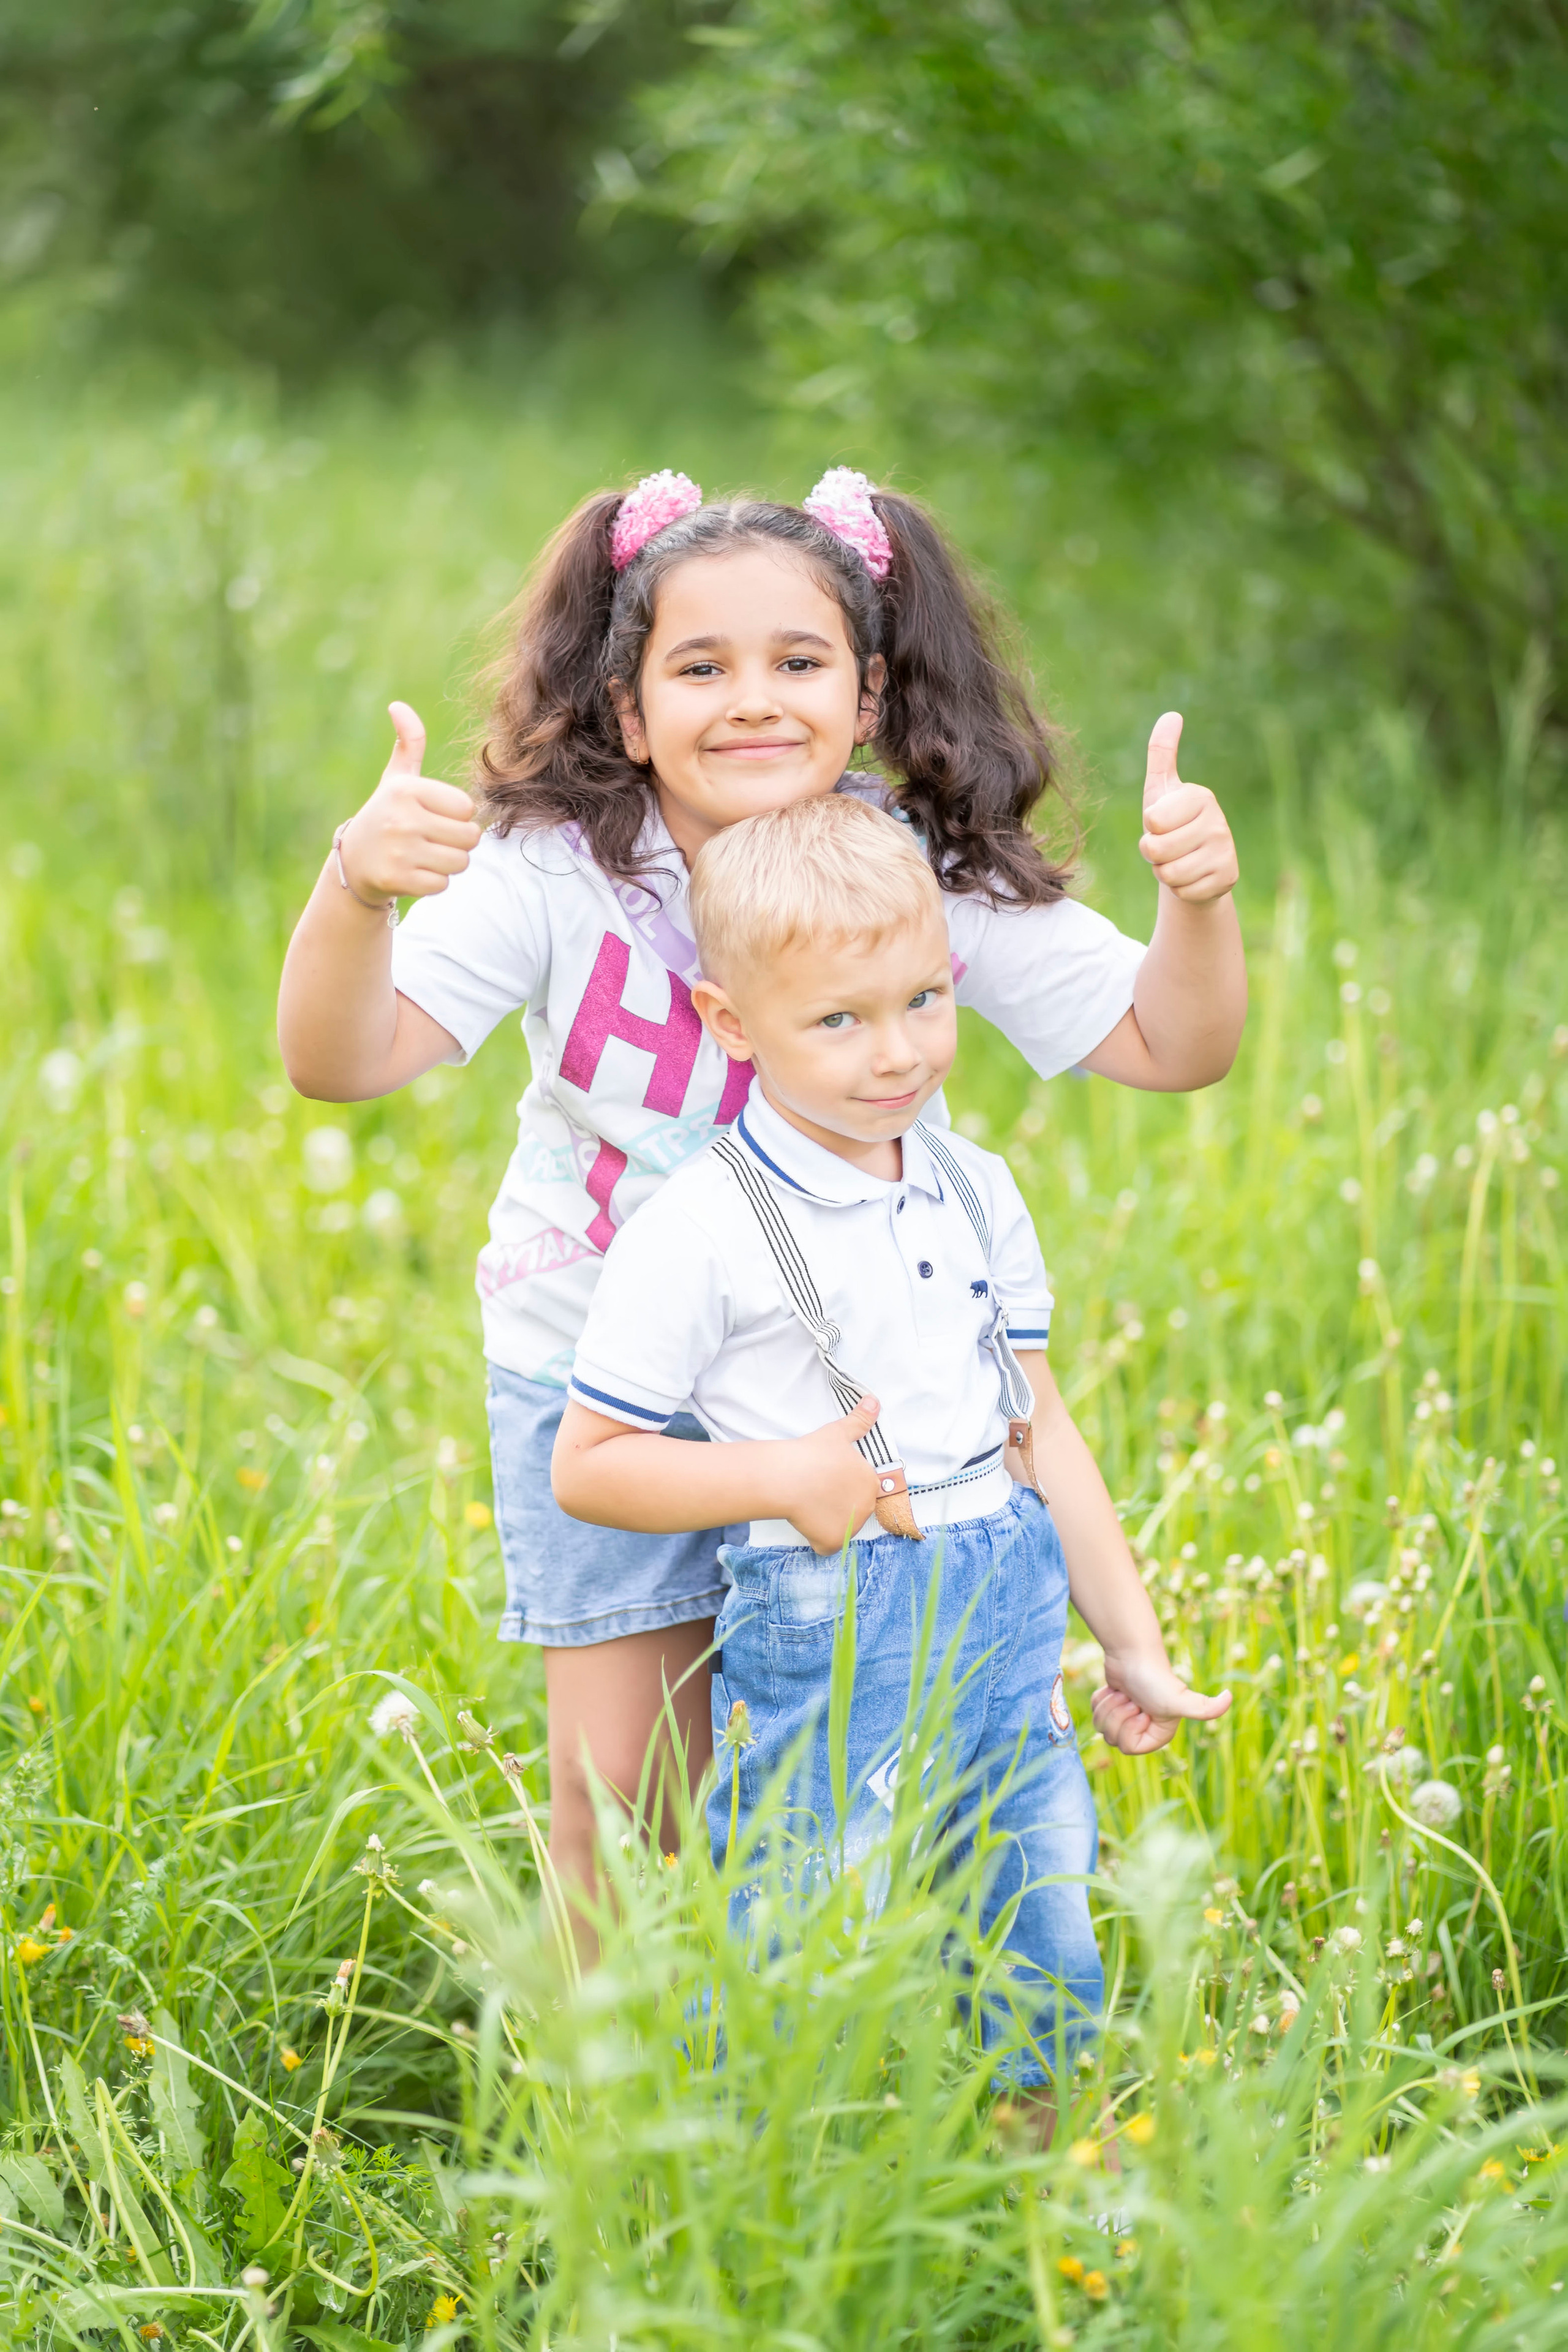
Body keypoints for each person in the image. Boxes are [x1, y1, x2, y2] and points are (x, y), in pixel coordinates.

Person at [276, 464, 1243, 1921]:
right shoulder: (556, 873)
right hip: (608, 1388)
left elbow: (1174, 1042)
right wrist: (354, 892)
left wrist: (1198, 904)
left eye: (798, 662)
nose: (752, 700)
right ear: (626, 708)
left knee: (867, 1798)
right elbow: (341, 1060)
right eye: (699, 666)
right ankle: (614, 2126)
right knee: (625, 1806)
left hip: (852, 1398)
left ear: (864, 695)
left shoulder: (907, 872)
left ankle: (835, 2075)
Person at [551, 792, 1231, 2078]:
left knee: (1040, 1937)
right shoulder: (700, 1226)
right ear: (730, 1025)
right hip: (833, 1629)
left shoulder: (973, 1183)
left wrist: (1127, 1642)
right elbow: (585, 1467)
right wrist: (780, 1476)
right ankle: (769, 2196)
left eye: (924, 1000)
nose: (896, 1055)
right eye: (838, 1021)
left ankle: (1041, 2214)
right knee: (799, 1937)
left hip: (1007, 1616)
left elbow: (1036, 1426)